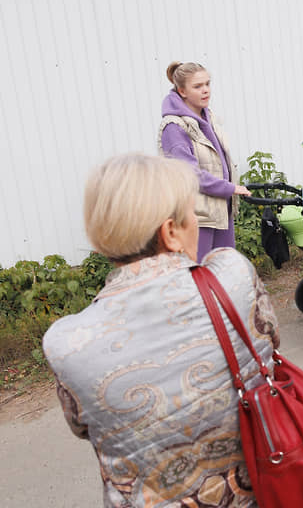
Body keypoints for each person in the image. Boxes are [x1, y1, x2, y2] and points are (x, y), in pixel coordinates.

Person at [43, 154, 279, 507]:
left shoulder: (66, 343)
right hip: (260, 492)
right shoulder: (232, 277)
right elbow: (271, 345)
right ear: (170, 232)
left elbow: (84, 427)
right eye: (192, 217)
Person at [158, 61, 251, 263]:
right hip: (196, 216)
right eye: (198, 86)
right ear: (182, 91)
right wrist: (229, 188)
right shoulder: (174, 128)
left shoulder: (208, 118)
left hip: (219, 210)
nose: (206, 90)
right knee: (197, 277)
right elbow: (189, 174)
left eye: (207, 84)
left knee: (224, 273)